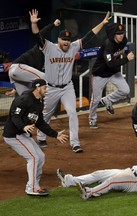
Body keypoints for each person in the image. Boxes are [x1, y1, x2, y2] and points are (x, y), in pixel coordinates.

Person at [30, 9, 110, 152]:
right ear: (58, 40)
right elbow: (36, 36)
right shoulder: (48, 47)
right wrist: (33, 23)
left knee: (72, 113)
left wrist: (102, 23)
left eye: (68, 40)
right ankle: (41, 137)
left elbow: (89, 36)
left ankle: (75, 143)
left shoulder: (73, 47)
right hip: (51, 88)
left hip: (67, 88)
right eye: (64, 40)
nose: (67, 42)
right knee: (46, 114)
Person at [2, 79, 68, 196]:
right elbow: (14, 116)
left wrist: (55, 134)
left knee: (40, 156)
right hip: (13, 135)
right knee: (33, 157)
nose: (46, 90)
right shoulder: (24, 100)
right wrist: (24, 127)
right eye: (44, 88)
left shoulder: (39, 102)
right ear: (37, 88)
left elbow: (40, 122)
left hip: (22, 134)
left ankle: (35, 185)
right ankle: (31, 188)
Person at [88, 22, 134, 128]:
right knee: (95, 99)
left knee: (125, 90)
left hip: (113, 72)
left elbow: (123, 51)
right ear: (113, 34)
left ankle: (107, 100)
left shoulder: (123, 40)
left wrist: (127, 54)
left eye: (122, 33)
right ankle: (92, 119)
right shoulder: (108, 44)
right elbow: (110, 63)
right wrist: (126, 59)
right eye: (119, 33)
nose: (121, 35)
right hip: (100, 74)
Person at [8, 19, 61, 96]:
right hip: (18, 67)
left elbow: (27, 73)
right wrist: (53, 25)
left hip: (16, 73)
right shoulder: (44, 47)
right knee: (46, 79)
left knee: (26, 98)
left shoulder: (48, 61)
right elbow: (40, 34)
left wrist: (15, 89)